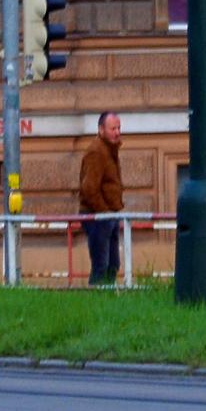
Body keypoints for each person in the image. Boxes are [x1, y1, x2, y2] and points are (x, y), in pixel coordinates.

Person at [75, 112, 128, 287]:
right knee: (101, 265)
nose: (117, 132)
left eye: (119, 128)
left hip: (109, 214)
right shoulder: (97, 151)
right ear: (101, 129)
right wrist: (104, 212)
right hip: (97, 216)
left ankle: (106, 298)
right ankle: (95, 299)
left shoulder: (109, 149)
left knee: (112, 265)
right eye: (113, 128)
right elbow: (89, 188)